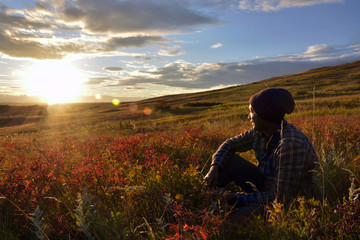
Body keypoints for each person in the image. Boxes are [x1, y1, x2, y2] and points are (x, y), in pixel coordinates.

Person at [204, 88, 319, 216]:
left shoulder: (290, 146)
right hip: (266, 186)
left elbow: (280, 198)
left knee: (234, 217)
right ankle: (208, 197)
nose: (249, 116)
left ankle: (220, 206)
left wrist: (235, 199)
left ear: (265, 115)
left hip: (290, 204)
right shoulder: (260, 132)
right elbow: (229, 145)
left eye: (252, 111)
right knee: (228, 161)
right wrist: (214, 168)